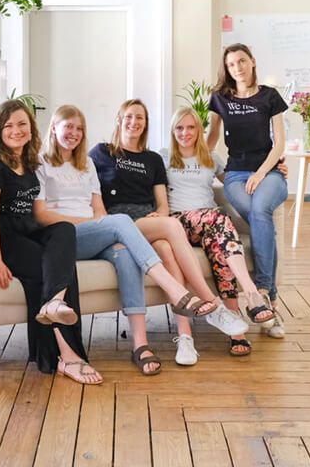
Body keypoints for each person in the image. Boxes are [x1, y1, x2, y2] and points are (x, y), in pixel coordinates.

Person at [35, 105, 219, 373]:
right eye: (68, 126)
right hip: (64, 239)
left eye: (79, 128)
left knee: (124, 252)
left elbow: (99, 210)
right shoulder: (40, 163)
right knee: (120, 221)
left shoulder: (86, 164)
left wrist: (99, 224)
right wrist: (95, 224)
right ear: (54, 127)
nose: (74, 133)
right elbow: (41, 215)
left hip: (93, 233)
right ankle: (177, 291)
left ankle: (140, 345)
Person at [89, 98, 248, 363]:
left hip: (147, 222)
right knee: (173, 226)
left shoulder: (153, 159)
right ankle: (211, 304)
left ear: (146, 124)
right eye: (129, 116)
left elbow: (163, 204)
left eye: (140, 118)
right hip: (119, 222)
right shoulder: (101, 152)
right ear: (119, 120)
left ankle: (185, 338)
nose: (134, 122)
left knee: (165, 247)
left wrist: (160, 216)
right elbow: (81, 177)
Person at [0, 100, 102, 385]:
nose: (16, 130)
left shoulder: (30, 160)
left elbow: (38, 211)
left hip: (29, 230)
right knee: (54, 271)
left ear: (32, 128)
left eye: (22, 124)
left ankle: (55, 304)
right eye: (8, 125)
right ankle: (68, 356)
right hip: (5, 239)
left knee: (64, 231)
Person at [163, 107, 277, 356]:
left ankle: (237, 332)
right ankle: (252, 293)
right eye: (179, 128)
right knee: (219, 218)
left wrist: (270, 174)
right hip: (178, 223)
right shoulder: (164, 157)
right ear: (172, 131)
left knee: (221, 251)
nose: (185, 133)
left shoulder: (210, 158)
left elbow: (236, 183)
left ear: (198, 130)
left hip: (210, 224)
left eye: (190, 127)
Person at [207, 43, 289, 338]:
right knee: (259, 216)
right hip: (235, 176)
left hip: (269, 172)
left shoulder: (270, 96)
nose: (237, 68)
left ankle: (263, 290)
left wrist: (262, 172)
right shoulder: (220, 98)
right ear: (227, 69)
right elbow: (211, 138)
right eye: (231, 64)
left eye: (242, 61)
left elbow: (279, 143)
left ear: (252, 62)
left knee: (260, 209)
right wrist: (189, 162)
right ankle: (271, 302)